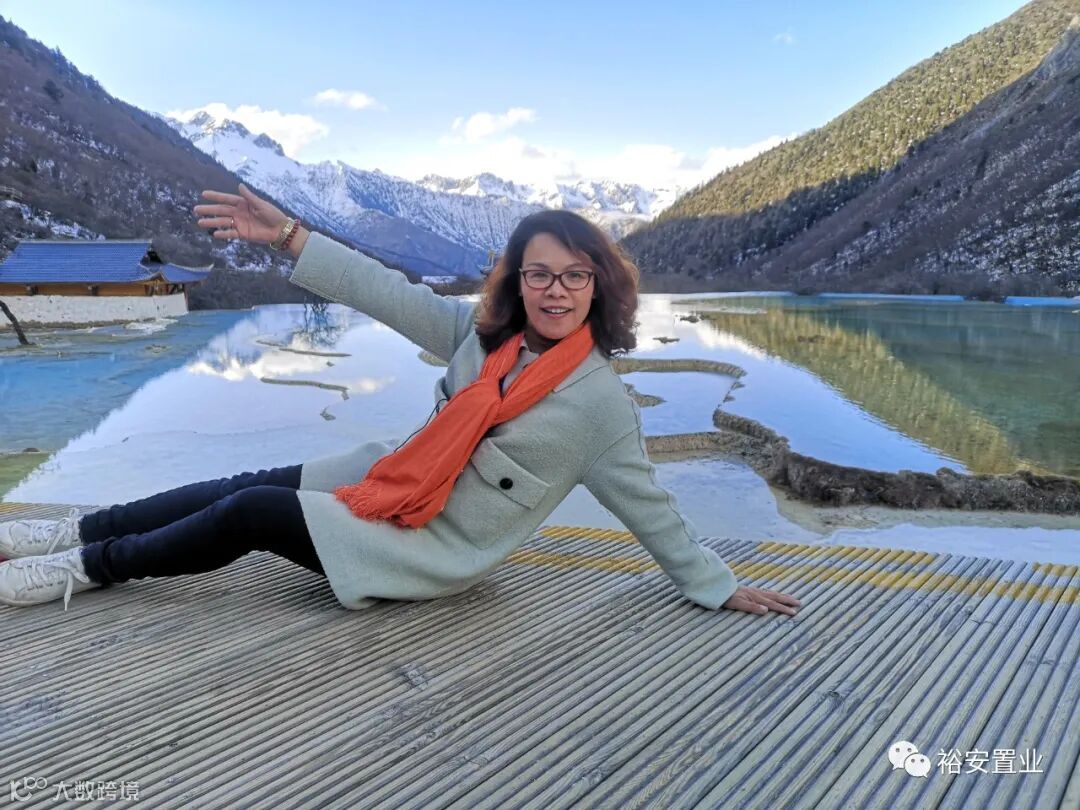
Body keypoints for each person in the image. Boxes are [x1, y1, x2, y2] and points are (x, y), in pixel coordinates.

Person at [0, 184, 801, 619]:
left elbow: (649, 506)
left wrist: (714, 582)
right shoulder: (482, 339)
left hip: (427, 551)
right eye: (539, 274)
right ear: (518, 281)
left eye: (573, 276)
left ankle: (82, 569)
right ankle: (70, 529)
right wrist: (290, 237)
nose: (555, 291)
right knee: (246, 481)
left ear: (599, 286)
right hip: (386, 486)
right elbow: (384, 291)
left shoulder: (600, 406)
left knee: (250, 510)